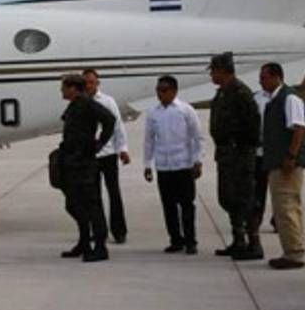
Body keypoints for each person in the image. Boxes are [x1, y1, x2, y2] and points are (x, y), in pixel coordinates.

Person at [256, 62, 305, 270]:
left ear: (276, 77)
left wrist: (291, 156)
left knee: (286, 207)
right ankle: (292, 249)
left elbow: (298, 127)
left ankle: (294, 253)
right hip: (277, 161)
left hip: (286, 164)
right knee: (284, 207)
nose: (260, 81)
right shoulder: (274, 99)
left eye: (264, 77)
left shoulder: (289, 98)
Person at [207, 52, 262, 260]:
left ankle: (254, 242)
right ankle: (238, 240)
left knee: (245, 198)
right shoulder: (222, 93)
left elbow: (253, 125)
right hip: (226, 155)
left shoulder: (240, 92)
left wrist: (243, 147)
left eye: (214, 70)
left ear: (222, 70)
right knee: (228, 198)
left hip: (239, 154)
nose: (212, 75)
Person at [57, 73, 117, 262]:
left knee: (91, 206)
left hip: (84, 163)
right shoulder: (75, 105)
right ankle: (84, 241)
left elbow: (110, 120)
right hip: (73, 162)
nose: (62, 91)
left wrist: (99, 144)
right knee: (74, 204)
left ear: (74, 88)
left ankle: (100, 247)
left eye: (64, 87)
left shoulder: (87, 103)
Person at [142, 75, 203, 254]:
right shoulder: (153, 112)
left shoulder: (186, 110)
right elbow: (149, 140)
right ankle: (176, 239)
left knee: (186, 205)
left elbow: (197, 137)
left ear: (174, 91)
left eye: (164, 90)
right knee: (168, 205)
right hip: (163, 165)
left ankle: (191, 240)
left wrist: (197, 160)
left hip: (183, 164)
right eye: (158, 90)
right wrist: (147, 164)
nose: (160, 94)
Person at [84, 68, 131, 244]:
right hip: (90, 156)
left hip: (108, 154)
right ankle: (98, 230)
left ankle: (119, 230)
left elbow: (118, 126)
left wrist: (123, 149)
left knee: (114, 193)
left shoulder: (107, 101)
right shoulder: (81, 102)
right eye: (86, 82)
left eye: (91, 82)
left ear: (97, 83)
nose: (89, 85)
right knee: (93, 195)